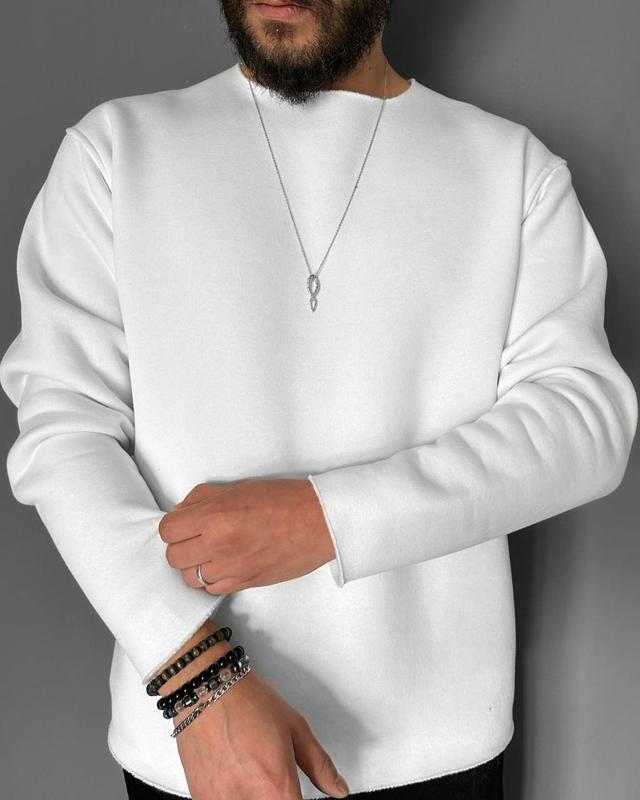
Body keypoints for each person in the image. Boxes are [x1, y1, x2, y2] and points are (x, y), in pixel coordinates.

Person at [0, 0, 637, 798]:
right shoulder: (115, 151)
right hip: (198, 739)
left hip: (440, 751)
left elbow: (584, 423)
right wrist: (195, 677)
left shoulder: (512, 170)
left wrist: (326, 519)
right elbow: (64, 431)